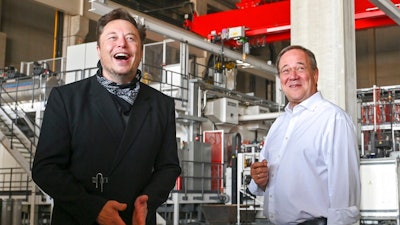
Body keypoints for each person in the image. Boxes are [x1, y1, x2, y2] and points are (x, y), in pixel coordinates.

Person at [32, 8, 181, 225]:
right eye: (113, 38)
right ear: (99, 49)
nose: (122, 43)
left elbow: (169, 167)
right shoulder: (66, 99)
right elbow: (45, 169)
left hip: (135, 220)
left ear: (140, 51)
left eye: (131, 38)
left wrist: (147, 202)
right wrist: (93, 208)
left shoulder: (162, 105)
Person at [248, 45, 361, 225]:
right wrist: (259, 179)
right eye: (286, 71)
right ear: (280, 79)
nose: (293, 76)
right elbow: (266, 178)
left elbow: (344, 194)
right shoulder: (278, 125)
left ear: (315, 75)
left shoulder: (333, 119)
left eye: (300, 68)